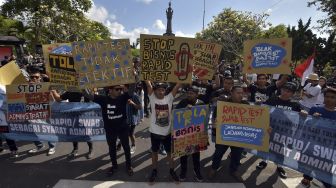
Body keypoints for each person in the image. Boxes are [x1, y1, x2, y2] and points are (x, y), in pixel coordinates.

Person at [83, 85, 140, 176]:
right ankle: (114, 166)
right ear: (110, 90)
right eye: (117, 89)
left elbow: (131, 90)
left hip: (123, 128)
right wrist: (81, 83)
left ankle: (129, 166)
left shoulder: (123, 97)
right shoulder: (102, 99)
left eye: (121, 89)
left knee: (126, 148)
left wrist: (135, 78)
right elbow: (87, 94)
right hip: (110, 130)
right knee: (112, 148)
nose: (120, 91)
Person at [256, 82, 302, 179]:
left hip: (283, 133)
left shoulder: (295, 105)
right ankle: (264, 161)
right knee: (265, 146)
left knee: (280, 149)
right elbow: (263, 111)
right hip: (269, 129)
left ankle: (279, 166)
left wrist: (304, 114)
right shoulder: (272, 100)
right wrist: (258, 105)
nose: (285, 92)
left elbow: (299, 120)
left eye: (289, 91)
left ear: (292, 93)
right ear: (281, 90)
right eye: (284, 90)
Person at [208, 85, 248, 182]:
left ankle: (234, 170)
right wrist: (214, 123)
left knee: (237, 155)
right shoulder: (223, 104)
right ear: (231, 93)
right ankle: (214, 168)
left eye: (242, 93)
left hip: (238, 136)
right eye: (238, 93)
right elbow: (215, 117)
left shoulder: (246, 104)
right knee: (218, 153)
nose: (241, 95)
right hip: (224, 135)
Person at [144, 81, 181, 184]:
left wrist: (186, 72)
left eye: (163, 90)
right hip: (155, 132)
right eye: (159, 90)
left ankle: (172, 171)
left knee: (170, 153)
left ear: (165, 91)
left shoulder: (169, 98)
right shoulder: (152, 98)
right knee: (154, 152)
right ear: (155, 91)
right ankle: (154, 170)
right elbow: (148, 84)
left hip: (167, 133)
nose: (161, 92)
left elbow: (178, 85)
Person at [300, 87, 336, 188]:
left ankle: (327, 183)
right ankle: (306, 179)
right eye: (327, 96)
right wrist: (311, 119)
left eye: (333, 97)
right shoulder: (315, 109)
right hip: (312, 144)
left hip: (328, 149)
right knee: (308, 164)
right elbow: (306, 126)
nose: (329, 99)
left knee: (326, 169)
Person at [50, 90, 94, 159]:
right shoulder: (69, 91)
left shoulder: (84, 90)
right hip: (72, 116)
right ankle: (75, 149)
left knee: (86, 134)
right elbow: (59, 99)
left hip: (83, 116)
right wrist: (54, 92)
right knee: (73, 133)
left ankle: (91, 149)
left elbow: (92, 99)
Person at [176, 86, 205, 182]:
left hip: (196, 134)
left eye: (191, 93)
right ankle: (183, 172)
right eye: (188, 93)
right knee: (183, 155)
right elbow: (175, 115)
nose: (189, 95)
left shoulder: (201, 103)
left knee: (196, 156)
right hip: (184, 134)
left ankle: (197, 172)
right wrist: (185, 109)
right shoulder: (182, 102)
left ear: (197, 95)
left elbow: (204, 118)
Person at [27, 69, 56, 156]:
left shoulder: (45, 86)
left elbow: (52, 99)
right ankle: (39, 145)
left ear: (40, 78)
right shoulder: (26, 86)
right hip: (32, 110)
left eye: (36, 77)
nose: (34, 78)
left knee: (47, 127)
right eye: (32, 77)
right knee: (30, 128)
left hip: (45, 109)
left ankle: (52, 146)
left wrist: (49, 91)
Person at [124, 85, 142, 155]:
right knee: (124, 133)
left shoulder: (135, 96)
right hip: (125, 118)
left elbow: (140, 107)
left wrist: (132, 103)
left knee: (131, 134)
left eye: (124, 88)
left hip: (132, 119)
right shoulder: (124, 96)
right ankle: (120, 145)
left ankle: (133, 145)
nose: (123, 90)